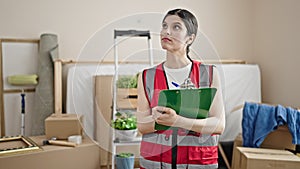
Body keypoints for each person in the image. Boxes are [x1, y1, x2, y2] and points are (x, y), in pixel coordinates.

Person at [136, 8, 225, 169]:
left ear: (190, 38)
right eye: (164, 26)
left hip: (198, 163)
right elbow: (142, 125)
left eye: (176, 27)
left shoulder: (210, 74)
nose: (166, 31)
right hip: (156, 163)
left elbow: (218, 124)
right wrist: (156, 120)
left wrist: (177, 121)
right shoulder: (146, 76)